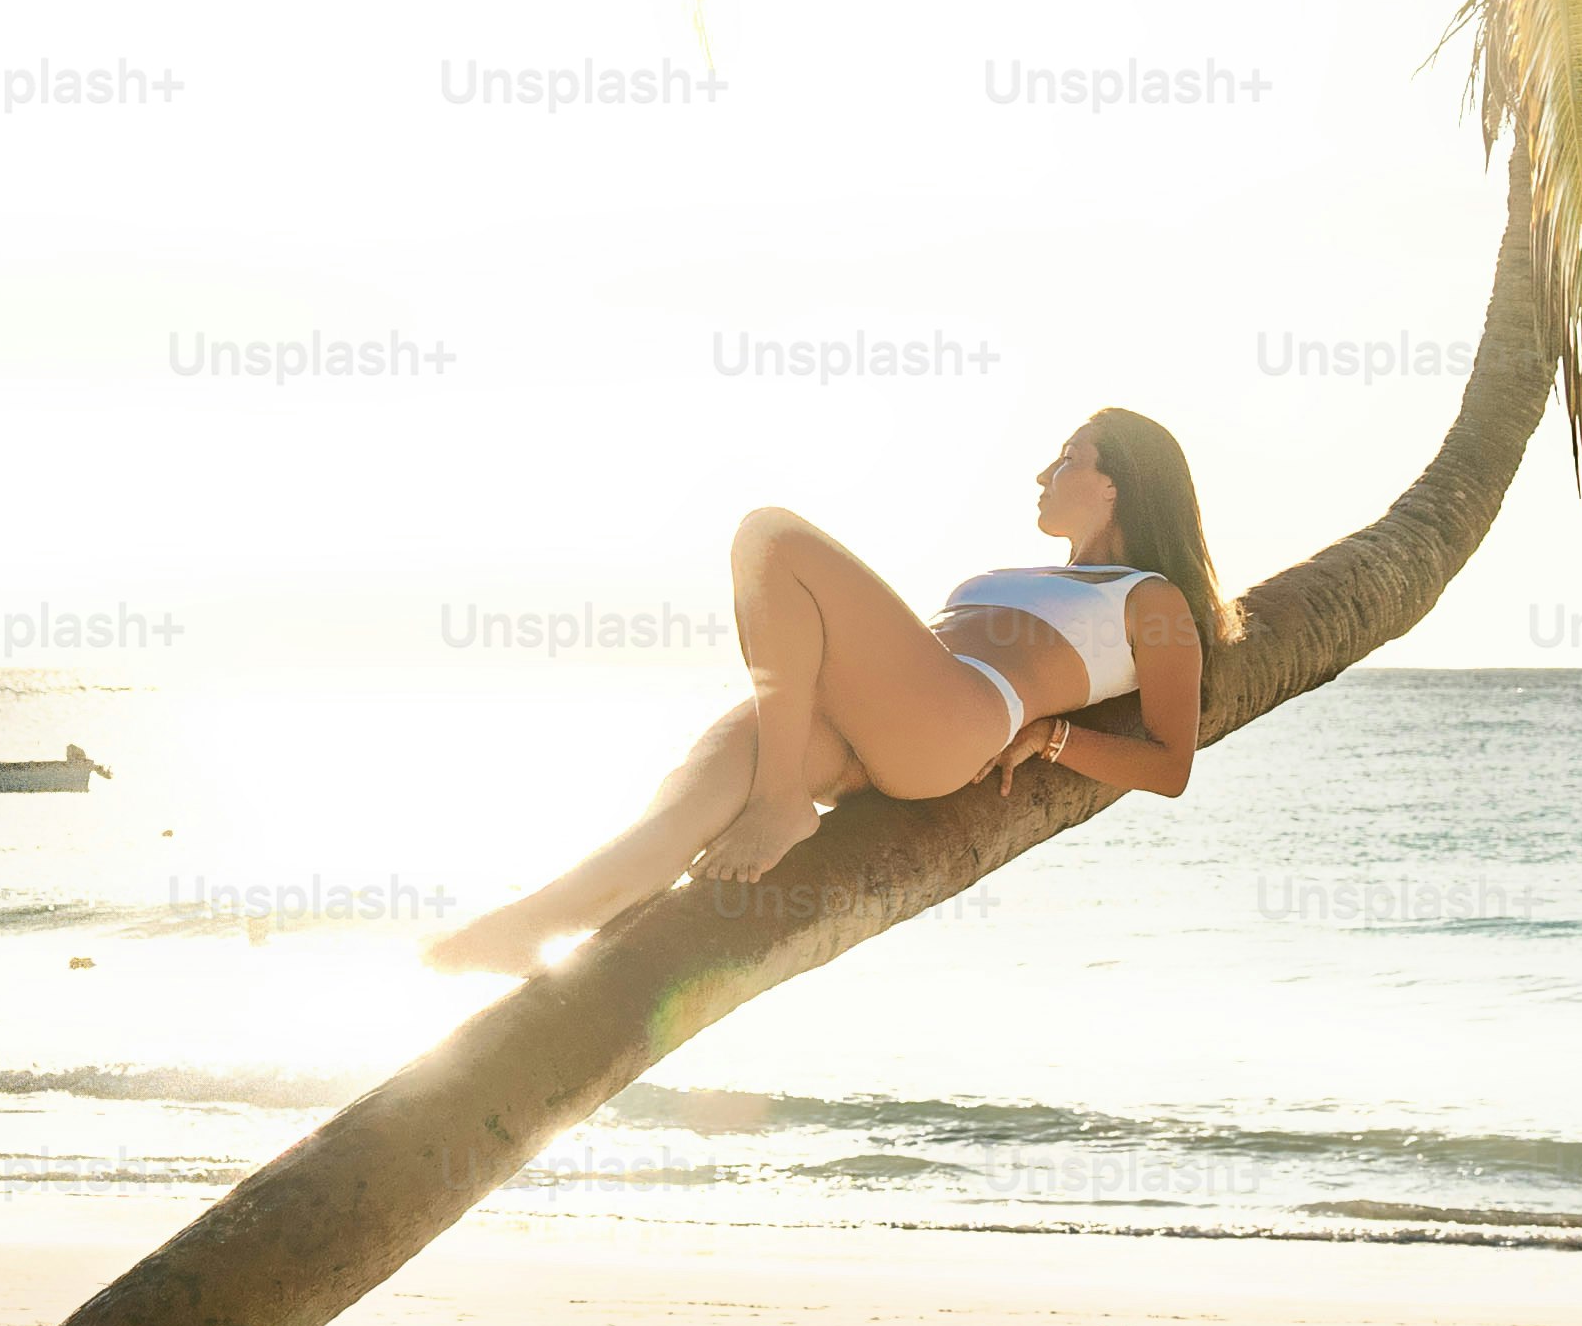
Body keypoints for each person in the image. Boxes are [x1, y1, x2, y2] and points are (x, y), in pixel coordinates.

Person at [424, 410, 1237, 975]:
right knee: (676, 818)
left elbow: (1170, 763)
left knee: (769, 533)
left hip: (954, 716)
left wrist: (1055, 740)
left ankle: (781, 801)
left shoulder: (1147, 594)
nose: (1042, 471)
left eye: (1068, 457)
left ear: (1114, 486)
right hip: (854, 717)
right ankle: (512, 941)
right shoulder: (1024, 572)